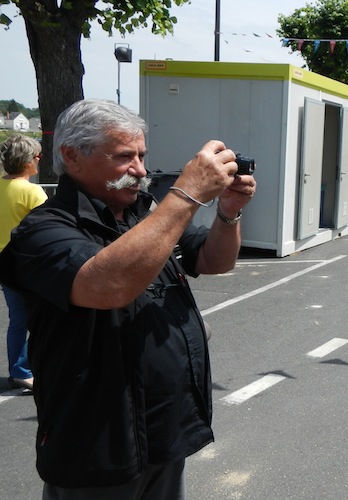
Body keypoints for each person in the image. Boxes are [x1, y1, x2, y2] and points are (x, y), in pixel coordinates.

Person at [0, 98, 256, 498]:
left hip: (163, 434)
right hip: (97, 450)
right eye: (124, 157)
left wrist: (228, 212)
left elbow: (212, 259)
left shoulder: (143, 214)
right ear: (72, 156)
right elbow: (109, 285)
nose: (139, 170)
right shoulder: (43, 230)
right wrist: (186, 194)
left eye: (141, 155)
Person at [0, 135, 47, 393]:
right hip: (27, 263)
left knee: (18, 319)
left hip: (4, 263)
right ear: (27, 161)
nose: (39, 160)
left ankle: (19, 370)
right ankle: (25, 368)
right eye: (37, 156)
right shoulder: (31, 191)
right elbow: (48, 228)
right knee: (44, 315)